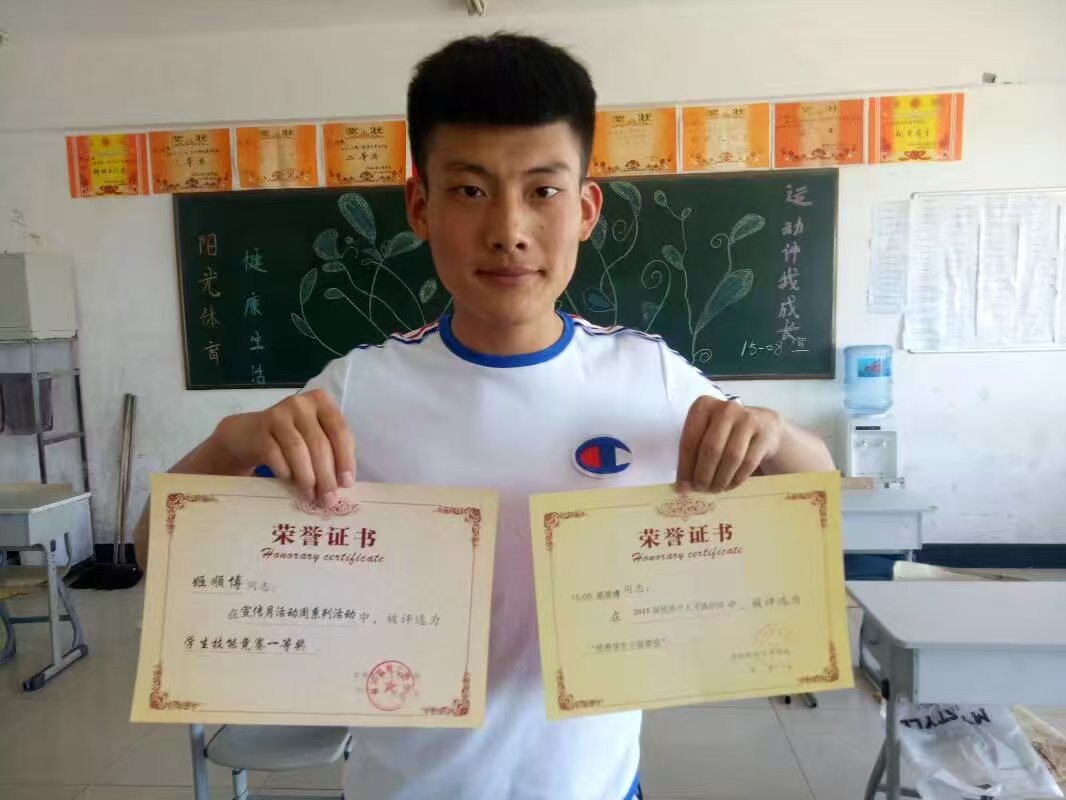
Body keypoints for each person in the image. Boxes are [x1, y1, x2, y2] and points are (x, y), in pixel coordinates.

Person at [135, 33, 833, 800]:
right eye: (470, 191)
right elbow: (151, 556)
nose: (509, 230)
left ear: (586, 208)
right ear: (420, 206)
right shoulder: (358, 390)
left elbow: (817, 489)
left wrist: (772, 433)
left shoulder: (649, 377)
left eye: (543, 191)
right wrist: (229, 444)